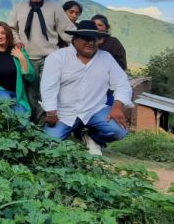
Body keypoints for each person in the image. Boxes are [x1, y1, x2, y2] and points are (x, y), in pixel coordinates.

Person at [41, 20, 133, 155]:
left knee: (118, 131)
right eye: (86, 38)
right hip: (64, 113)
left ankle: (93, 138)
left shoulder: (106, 58)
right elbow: (48, 86)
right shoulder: (57, 58)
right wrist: (51, 112)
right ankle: (74, 137)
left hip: (94, 109)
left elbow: (122, 83)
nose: (91, 42)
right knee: (49, 144)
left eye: (94, 39)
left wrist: (117, 107)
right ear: (75, 39)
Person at [9, 0, 75, 123]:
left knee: (46, 91)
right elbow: (12, 28)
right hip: (27, 57)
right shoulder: (19, 8)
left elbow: (66, 28)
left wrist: (80, 42)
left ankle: (43, 125)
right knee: (30, 92)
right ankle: (31, 123)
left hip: (49, 57)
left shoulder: (54, 8)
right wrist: (17, 40)